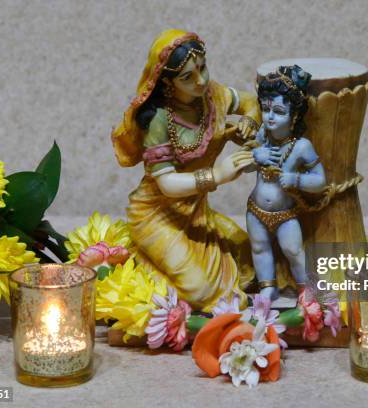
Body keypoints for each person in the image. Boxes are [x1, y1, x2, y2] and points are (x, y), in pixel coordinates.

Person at [111, 29, 260, 311]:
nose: (201, 81)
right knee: (203, 291)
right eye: (187, 77)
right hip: (157, 214)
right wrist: (217, 175)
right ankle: (140, 267)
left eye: (202, 68)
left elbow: (251, 103)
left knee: (249, 255)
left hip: (195, 210)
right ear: (167, 83)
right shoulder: (158, 120)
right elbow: (167, 184)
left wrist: (249, 123)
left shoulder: (213, 96)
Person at [247, 65, 326, 301]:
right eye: (266, 109)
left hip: (285, 214)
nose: (270, 117)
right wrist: (256, 155)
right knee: (259, 248)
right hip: (255, 209)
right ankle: (267, 287)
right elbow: (244, 165)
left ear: (293, 117)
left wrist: (295, 179)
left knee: (293, 250)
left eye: (279, 111)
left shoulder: (301, 146)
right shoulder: (262, 137)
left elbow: (320, 181)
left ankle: (306, 289)